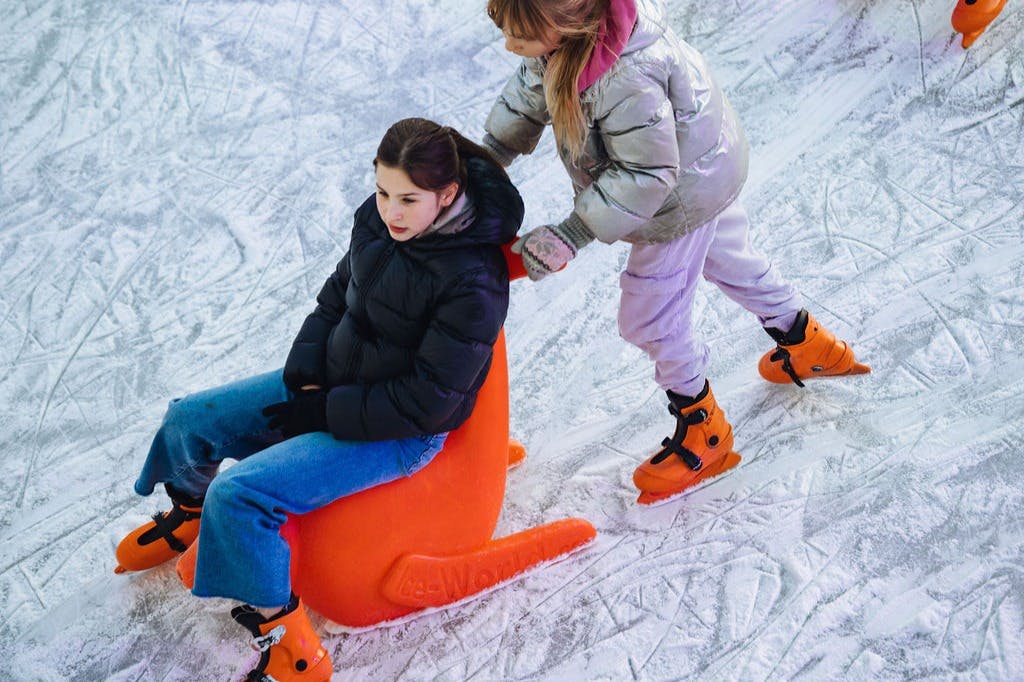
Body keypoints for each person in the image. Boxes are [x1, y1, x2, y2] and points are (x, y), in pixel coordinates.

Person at [114, 118, 524, 679]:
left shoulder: (473, 279)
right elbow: (337, 296)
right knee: (189, 421)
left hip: (401, 433)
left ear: (448, 195)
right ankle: (191, 511)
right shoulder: (378, 222)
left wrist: (323, 411)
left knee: (240, 495)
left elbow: (428, 402)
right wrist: (306, 370)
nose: (391, 211)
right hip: (333, 385)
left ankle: (288, 638)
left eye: (408, 199)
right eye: (383, 191)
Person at [481, 0, 869, 504]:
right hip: (703, 163)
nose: (510, 46)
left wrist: (572, 233)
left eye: (521, 35)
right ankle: (809, 343)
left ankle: (705, 431)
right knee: (729, 259)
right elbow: (531, 87)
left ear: (569, 24)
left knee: (649, 318)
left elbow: (645, 175)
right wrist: (489, 156)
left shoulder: (627, 78)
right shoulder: (569, 39)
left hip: (678, 191)